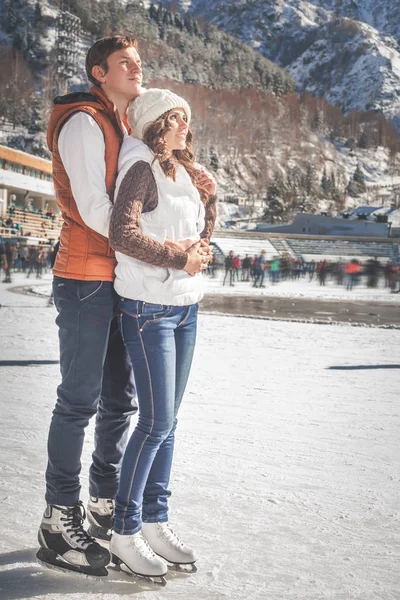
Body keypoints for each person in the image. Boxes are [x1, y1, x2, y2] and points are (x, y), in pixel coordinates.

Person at [37, 35, 142, 578]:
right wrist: (151, 244)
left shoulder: (122, 126)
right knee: (78, 400)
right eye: (126, 62)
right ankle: (58, 517)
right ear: (99, 73)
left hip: (119, 276)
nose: (136, 67)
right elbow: (94, 207)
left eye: (139, 61)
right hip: (84, 277)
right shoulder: (84, 122)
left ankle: (103, 503)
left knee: (119, 400)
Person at [108, 88, 217, 581]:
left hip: (185, 307)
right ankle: (123, 531)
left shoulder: (187, 176)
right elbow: (122, 234)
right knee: (153, 423)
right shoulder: (141, 172)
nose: (183, 127)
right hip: (148, 308)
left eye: (185, 119)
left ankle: (155, 520)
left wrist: (210, 204)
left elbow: (199, 237)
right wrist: (179, 258)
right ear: (154, 124)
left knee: (168, 423)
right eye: (174, 119)